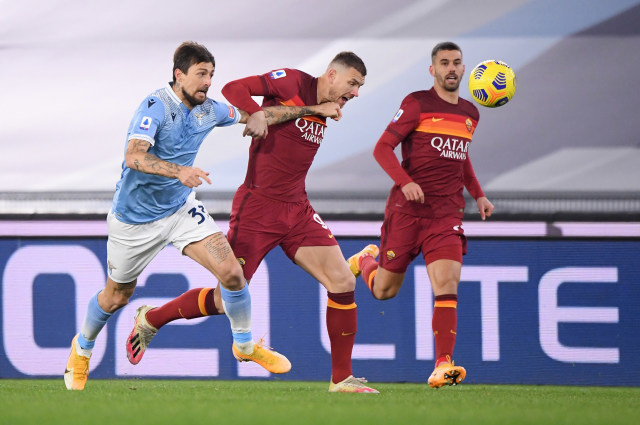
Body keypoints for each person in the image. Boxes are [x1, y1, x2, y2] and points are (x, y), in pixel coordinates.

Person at [64, 41, 341, 391]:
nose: (207, 81)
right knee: (116, 297)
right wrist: (178, 171)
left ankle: (244, 346)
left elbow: (261, 116)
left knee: (232, 273)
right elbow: (134, 156)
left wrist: (311, 109)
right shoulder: (155, 106)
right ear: (179, 75)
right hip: (134, 220)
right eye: (200, 74)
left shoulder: (209, 110)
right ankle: (82, 349)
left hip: (181, 210)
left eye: (211, 74)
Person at [126, 52, 379, 393]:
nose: (355, 93)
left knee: (341, 283)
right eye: (352, 84)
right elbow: (233, 88)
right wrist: (257, 112)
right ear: (332, 75)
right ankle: (152, 318)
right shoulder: (291, 80)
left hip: (297, 209)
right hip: (258, 208)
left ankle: (341, 379)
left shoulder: (329, 108)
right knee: (225, 296)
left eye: (360, 87)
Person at [346, 41, 494, 388]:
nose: (451, 69)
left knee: (447, 283)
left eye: (457, 63)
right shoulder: (416, 103)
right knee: (384, 291)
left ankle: (443, 364)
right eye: (444, 63)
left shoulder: (471, 113)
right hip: (407, 213)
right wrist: (405, 181)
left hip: (446, 214)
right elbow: (382, 148)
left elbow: (462, 159)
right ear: (433, 70)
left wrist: (479, 194)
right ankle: (366, 260)